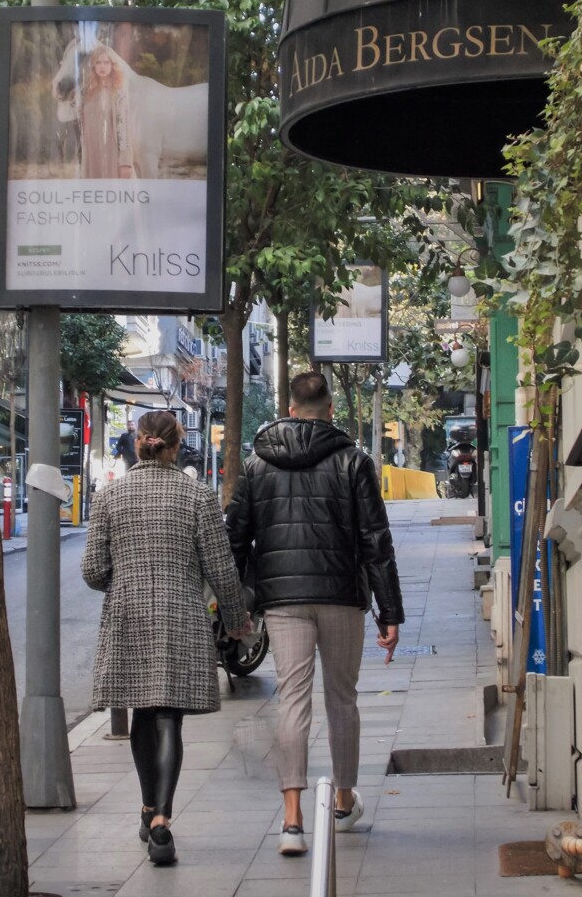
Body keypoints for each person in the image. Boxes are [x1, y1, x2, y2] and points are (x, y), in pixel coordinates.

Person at [226, 371, 404, 856]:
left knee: (293, 701)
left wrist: (234, 608)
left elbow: (236, 537)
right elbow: (375, 540)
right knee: (342, 700)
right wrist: (390, 610)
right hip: (343, 597)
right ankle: (344, 803)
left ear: (289, 408)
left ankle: (291, 821)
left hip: (282, 600)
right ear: (329, 410)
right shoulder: (353, 460)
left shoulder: (256, 464)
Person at [81, 410, 251, 865]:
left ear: (139, 442)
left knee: (142, 712)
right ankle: (161, 820)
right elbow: (221, 566)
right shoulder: (197, 495)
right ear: (176, 446)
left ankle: (147, 806)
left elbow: (93, 571)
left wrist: (126, 578)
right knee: (169, 717)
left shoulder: (110, 496)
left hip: (128, 615)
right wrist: (237, 619)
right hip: (180, 613)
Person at [78, 44, 133, 179]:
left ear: (112, 65)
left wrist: (125, 162)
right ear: (93, 65)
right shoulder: (86, 93)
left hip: (111, 155)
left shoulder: (118, 92)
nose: (102, 66)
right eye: (98, 62)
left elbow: (124, 128)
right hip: (90, 154)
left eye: (106, 62)